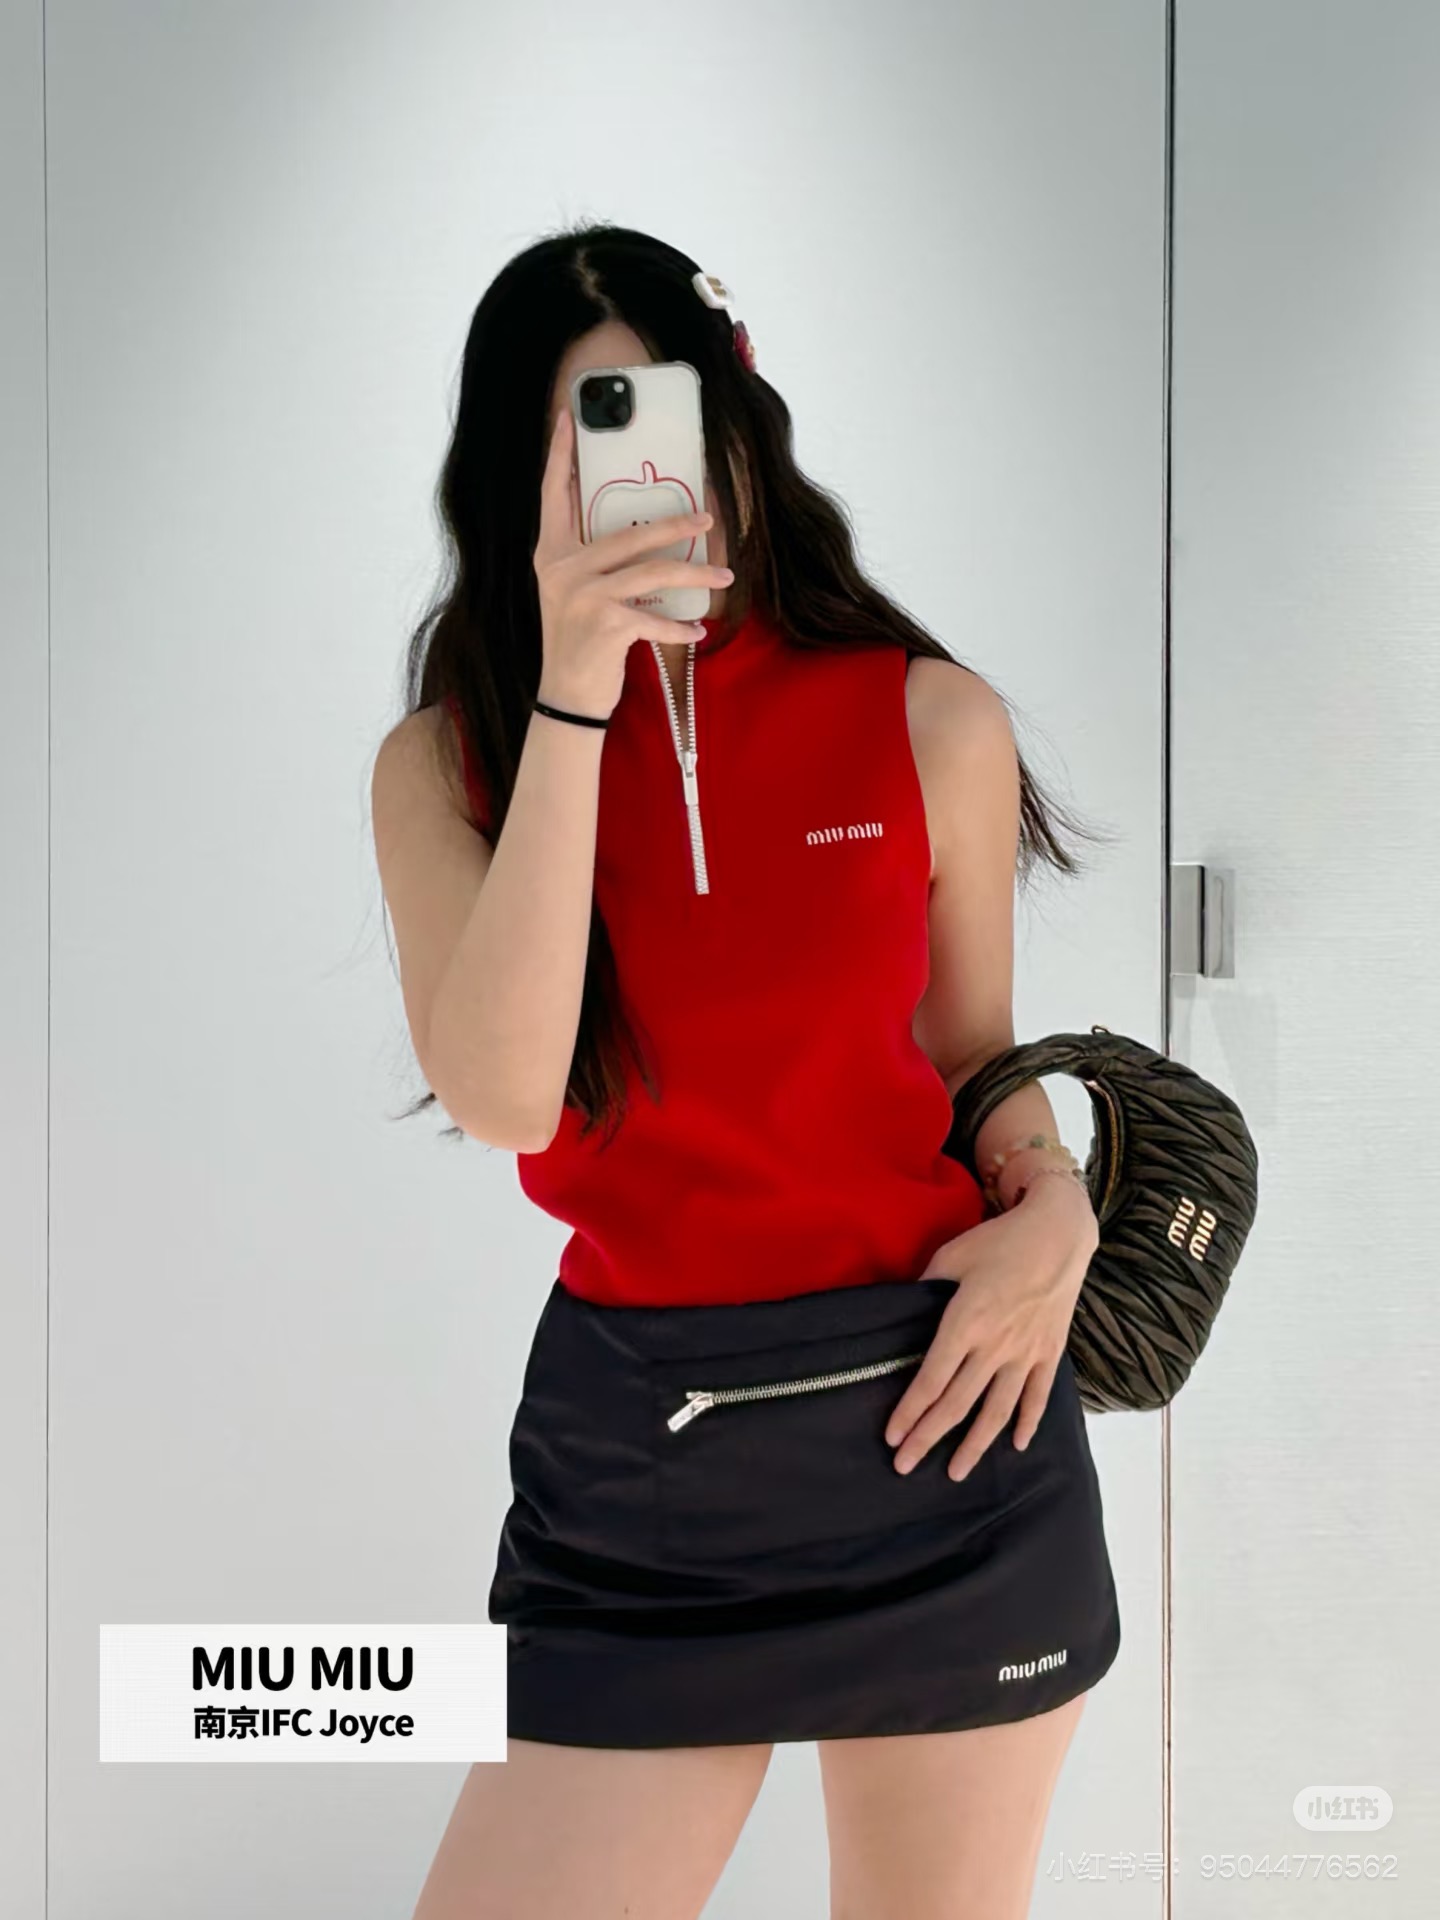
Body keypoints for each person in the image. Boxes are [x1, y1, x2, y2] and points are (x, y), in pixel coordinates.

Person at [372, 222, 1121, 1920]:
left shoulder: (929, 717)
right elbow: (505, 1099)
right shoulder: (447, 763)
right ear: (519, 478)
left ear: (736, 416)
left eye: (662, 411)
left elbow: (968, 1057)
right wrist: (576, 696)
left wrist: (1057, 1204)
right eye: (586, 434)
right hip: (638, 1477)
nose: (639, 470)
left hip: (950, 1428)